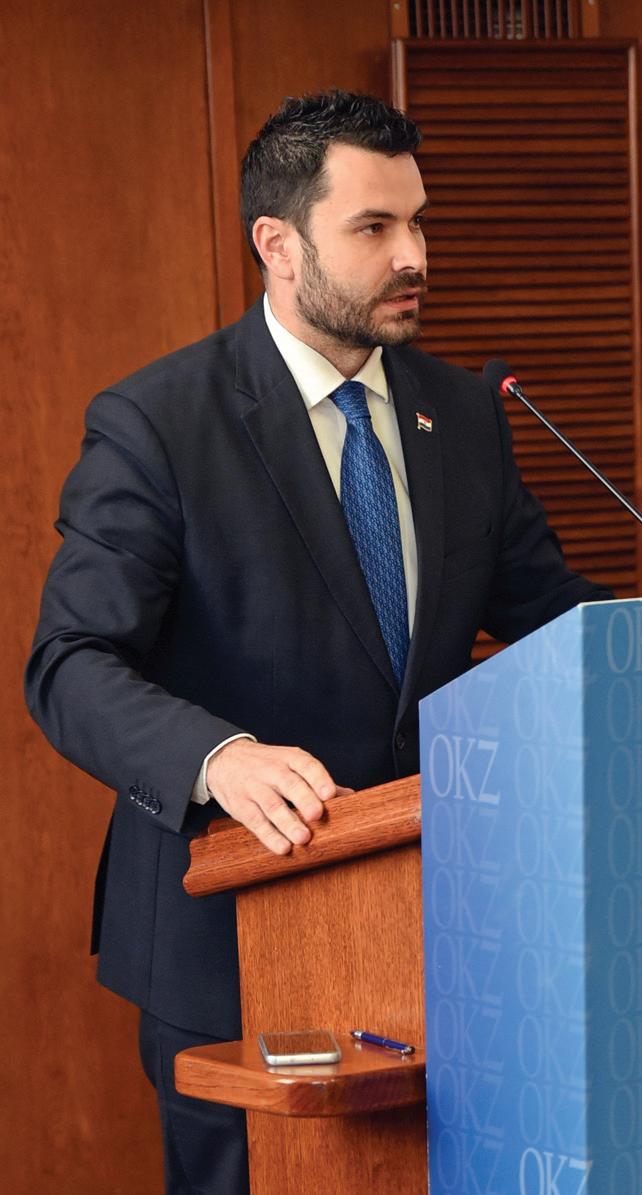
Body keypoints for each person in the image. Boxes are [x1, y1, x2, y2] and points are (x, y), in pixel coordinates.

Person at [25, 90, 611, 1193]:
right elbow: (71, 663)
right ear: (278, 244)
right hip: (232, 937)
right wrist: (219, 758)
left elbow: (556, 620)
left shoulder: (466, 412)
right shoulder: (159, 423)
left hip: (440, 934)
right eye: (375, 227)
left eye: (419, 222)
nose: (414, 255)